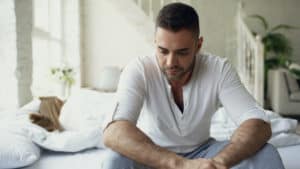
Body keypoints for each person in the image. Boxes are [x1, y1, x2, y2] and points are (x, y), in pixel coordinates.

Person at [101, 2, 284, 169]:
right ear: (155, 43)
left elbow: (258, 123)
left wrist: (219, 162)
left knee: (267, 153)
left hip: (204, 154)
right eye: (163, 51)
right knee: (113, 161)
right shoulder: (139, 69)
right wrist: (179, 164)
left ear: (198, 45)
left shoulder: (218, 69)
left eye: (182, 52)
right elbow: (114, 132)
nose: (171, 62)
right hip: (152, 154)